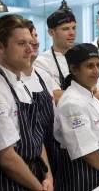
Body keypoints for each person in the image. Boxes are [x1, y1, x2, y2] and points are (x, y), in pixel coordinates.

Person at [0, 15, 52, 191]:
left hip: (34, 174)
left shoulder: (22, 83)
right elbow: (7, 158)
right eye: (21, 44)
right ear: (0, 47)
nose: (30, 48)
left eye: (30, 42)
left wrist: (47, 175)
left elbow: (36, 138)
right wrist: (39, 188)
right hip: (5, 181)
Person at [54, 43, 99, 191]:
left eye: (98, 65)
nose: (96, 71)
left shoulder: (91, 97)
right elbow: (86, 151)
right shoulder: (72, 103)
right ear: (74, 69)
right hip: (82, 173)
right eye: (89, 66)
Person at [34, 9, 99, 104]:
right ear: (51, 33)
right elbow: (55, 97)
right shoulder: (41, 62)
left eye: (74, 28)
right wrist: (90, 92)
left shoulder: (84, 56)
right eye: (65, 29)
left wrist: (65, 94)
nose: (72, 33)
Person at [22, 20, 62, 181]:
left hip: (52, 146)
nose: (36, 42)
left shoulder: (42, 74)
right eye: (28, 37)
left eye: (36, 35)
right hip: (29, 156)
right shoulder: (13, 80)